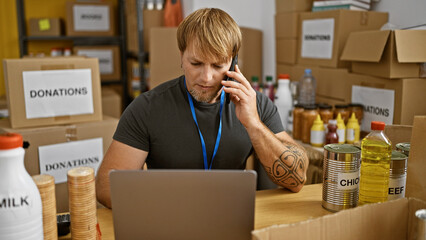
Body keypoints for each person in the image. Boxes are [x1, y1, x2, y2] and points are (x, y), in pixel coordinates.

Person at [96, 8, 309, 208]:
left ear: (233, 62)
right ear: (181, 56)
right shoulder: (147, 107)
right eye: (196, 63)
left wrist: (253, 124)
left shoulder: (257, 105)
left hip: (231, 216)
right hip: (169, 214)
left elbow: (297, 178)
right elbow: (106, 188)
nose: (206, 78)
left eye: (217, 66)